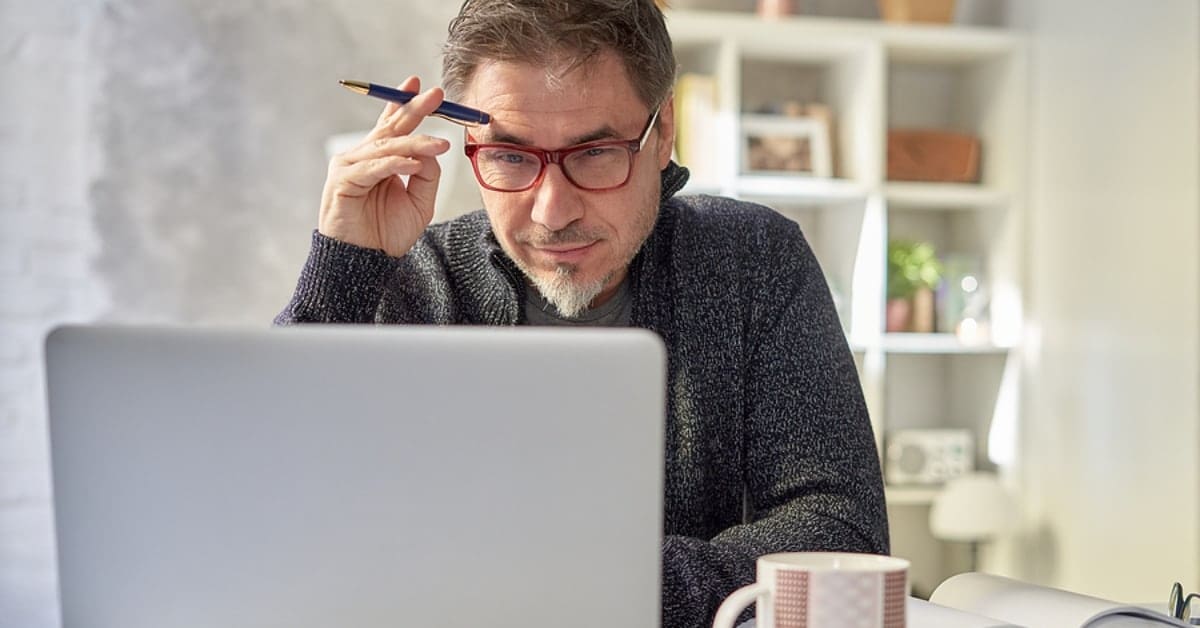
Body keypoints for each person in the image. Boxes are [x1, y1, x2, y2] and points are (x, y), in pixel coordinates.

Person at [276, 0, 889, 626]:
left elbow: (843, 532)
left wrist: (580, 587)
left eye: (595, 153)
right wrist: (341, 271)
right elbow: (271, 514)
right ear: (469, 143)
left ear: (663, 134)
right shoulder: (410, 276)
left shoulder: (753, 260)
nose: (551, 212)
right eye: (511, 156)